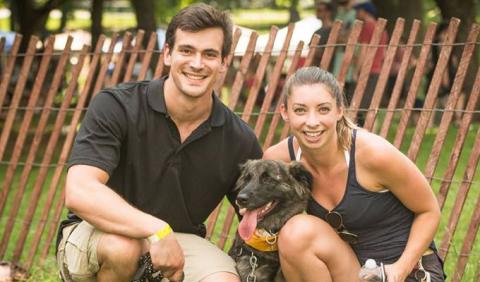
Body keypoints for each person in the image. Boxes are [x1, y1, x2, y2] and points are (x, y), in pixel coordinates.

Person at [55, 4, 262, 282]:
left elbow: (262, 216)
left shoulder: (239, 139)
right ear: (167, 54)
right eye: (186, 50)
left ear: (224, 62)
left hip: (179, 240)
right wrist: (156, 230)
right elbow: (80, 191)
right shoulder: (117, 105)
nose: (197, 63)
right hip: (97, 233)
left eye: (209, 54)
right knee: (124, 248)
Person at [264, 67, 445, 281]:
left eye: (323, 109)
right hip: (355, 272)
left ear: (339, 110)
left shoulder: (373, 155)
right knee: (295, 233)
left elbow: (429, 211)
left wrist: (399, 269)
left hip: (407, 271)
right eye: (300, 110)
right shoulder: (279, 161)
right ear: (285, 112)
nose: (312, 122)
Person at [352, 1, 388, 126]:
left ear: (364, 11)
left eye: (358, 10)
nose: (356, 13)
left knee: (360, 108)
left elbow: (364, 50)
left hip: (368, 71)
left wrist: (356, 71)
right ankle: (374, 135)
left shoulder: (367, 26)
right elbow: (383, 53)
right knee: (371, 107)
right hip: (377, 70)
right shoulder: (381, 28)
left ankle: (364, 136)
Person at [312, 1, 334, 67]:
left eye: (320, 10)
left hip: (330, 68)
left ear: (328, 12)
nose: (317, 12)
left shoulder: (333, 30)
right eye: (317, 10)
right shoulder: (317, 31)